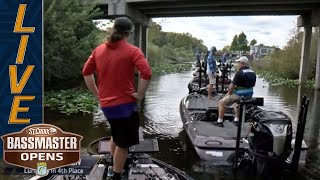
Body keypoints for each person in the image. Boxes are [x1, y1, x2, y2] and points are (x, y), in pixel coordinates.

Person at [82, 17, 152, 180]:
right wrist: (140, 94)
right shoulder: (133, 51)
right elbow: (147, 73)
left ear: (114, 29)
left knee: (116, 133)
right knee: (123, 144)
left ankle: (115, 164)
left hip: (107, 106)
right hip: (125, 107)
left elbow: (86, 72)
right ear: (129, 33)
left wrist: (97, 93)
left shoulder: (98, 50)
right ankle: (117, 175)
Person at [214, 56, 256, 127]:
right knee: (237, 103)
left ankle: (219, 121)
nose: (238, 64)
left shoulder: (239, 73)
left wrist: (229, 94)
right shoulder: (253, 72)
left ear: (242, 63)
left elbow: (231, 86)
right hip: (249, 95)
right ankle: (236, 120)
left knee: (222, 102)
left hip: (239, 95)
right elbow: (253, 85)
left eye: (238, 63)